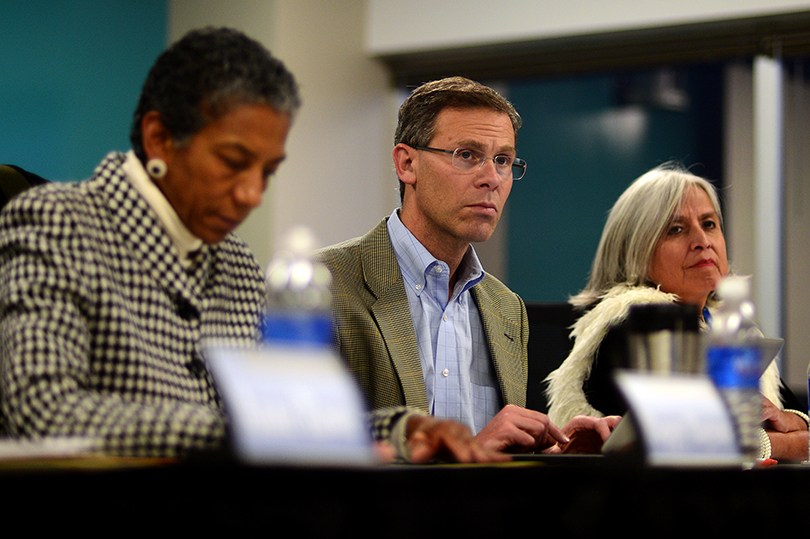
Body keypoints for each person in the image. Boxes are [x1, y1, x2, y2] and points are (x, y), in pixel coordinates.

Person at [0, 28, 503, 464]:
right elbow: (41, 410)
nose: (251, 195)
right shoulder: (57, 221)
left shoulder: (236, 263)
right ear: (158, 138)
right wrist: (240, 436)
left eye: (265, 171)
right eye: (231, 161)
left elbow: (273, 413)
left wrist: (400, 429)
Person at [317, 76, 620, 455]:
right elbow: (295, 435)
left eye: (503, 160)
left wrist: (558, 454)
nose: (491, 178)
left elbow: (497, 454)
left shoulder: (507, 308)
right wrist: (466, 450)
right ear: (406, 163)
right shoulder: (325, 285)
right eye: (467, 155)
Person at [544, 162, 809, 461]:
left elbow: (782, 413)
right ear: (635, 250)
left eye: (709, 224)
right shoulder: (632, 322)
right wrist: (791, 444)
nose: (702, 242)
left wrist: (794, 421)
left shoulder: (727, 325)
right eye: (676, 229)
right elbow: (693, 444)